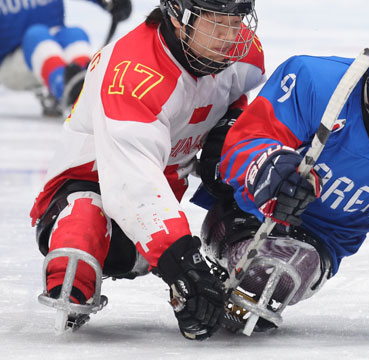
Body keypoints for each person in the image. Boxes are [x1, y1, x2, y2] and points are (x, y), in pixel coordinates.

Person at [194, 21, 369, 344]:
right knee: (262, 272)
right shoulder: (315, 81)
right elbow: (244, 143)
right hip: (255, 210)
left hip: (321, 242)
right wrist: (274, 171)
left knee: (277, 275)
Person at [30, 0, 265, 340]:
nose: (231, 35)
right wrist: (182, 261)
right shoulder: (134, 72)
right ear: (179, 19)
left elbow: (240, 96)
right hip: (87, 189)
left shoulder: (242, 52)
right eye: (216, 22)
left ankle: (239, 262)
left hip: (158, 204)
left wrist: (231, 127)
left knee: (246, 167)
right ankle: (73, 278)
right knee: (82, 222)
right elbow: (132, 183)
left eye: (237, 21)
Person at [0, 0, 132, 116]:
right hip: (11, 64)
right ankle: (67, 90)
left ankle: (85, 85)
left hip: (55, 45)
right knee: (36, 35)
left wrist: (111, 2)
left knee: (75, 34)